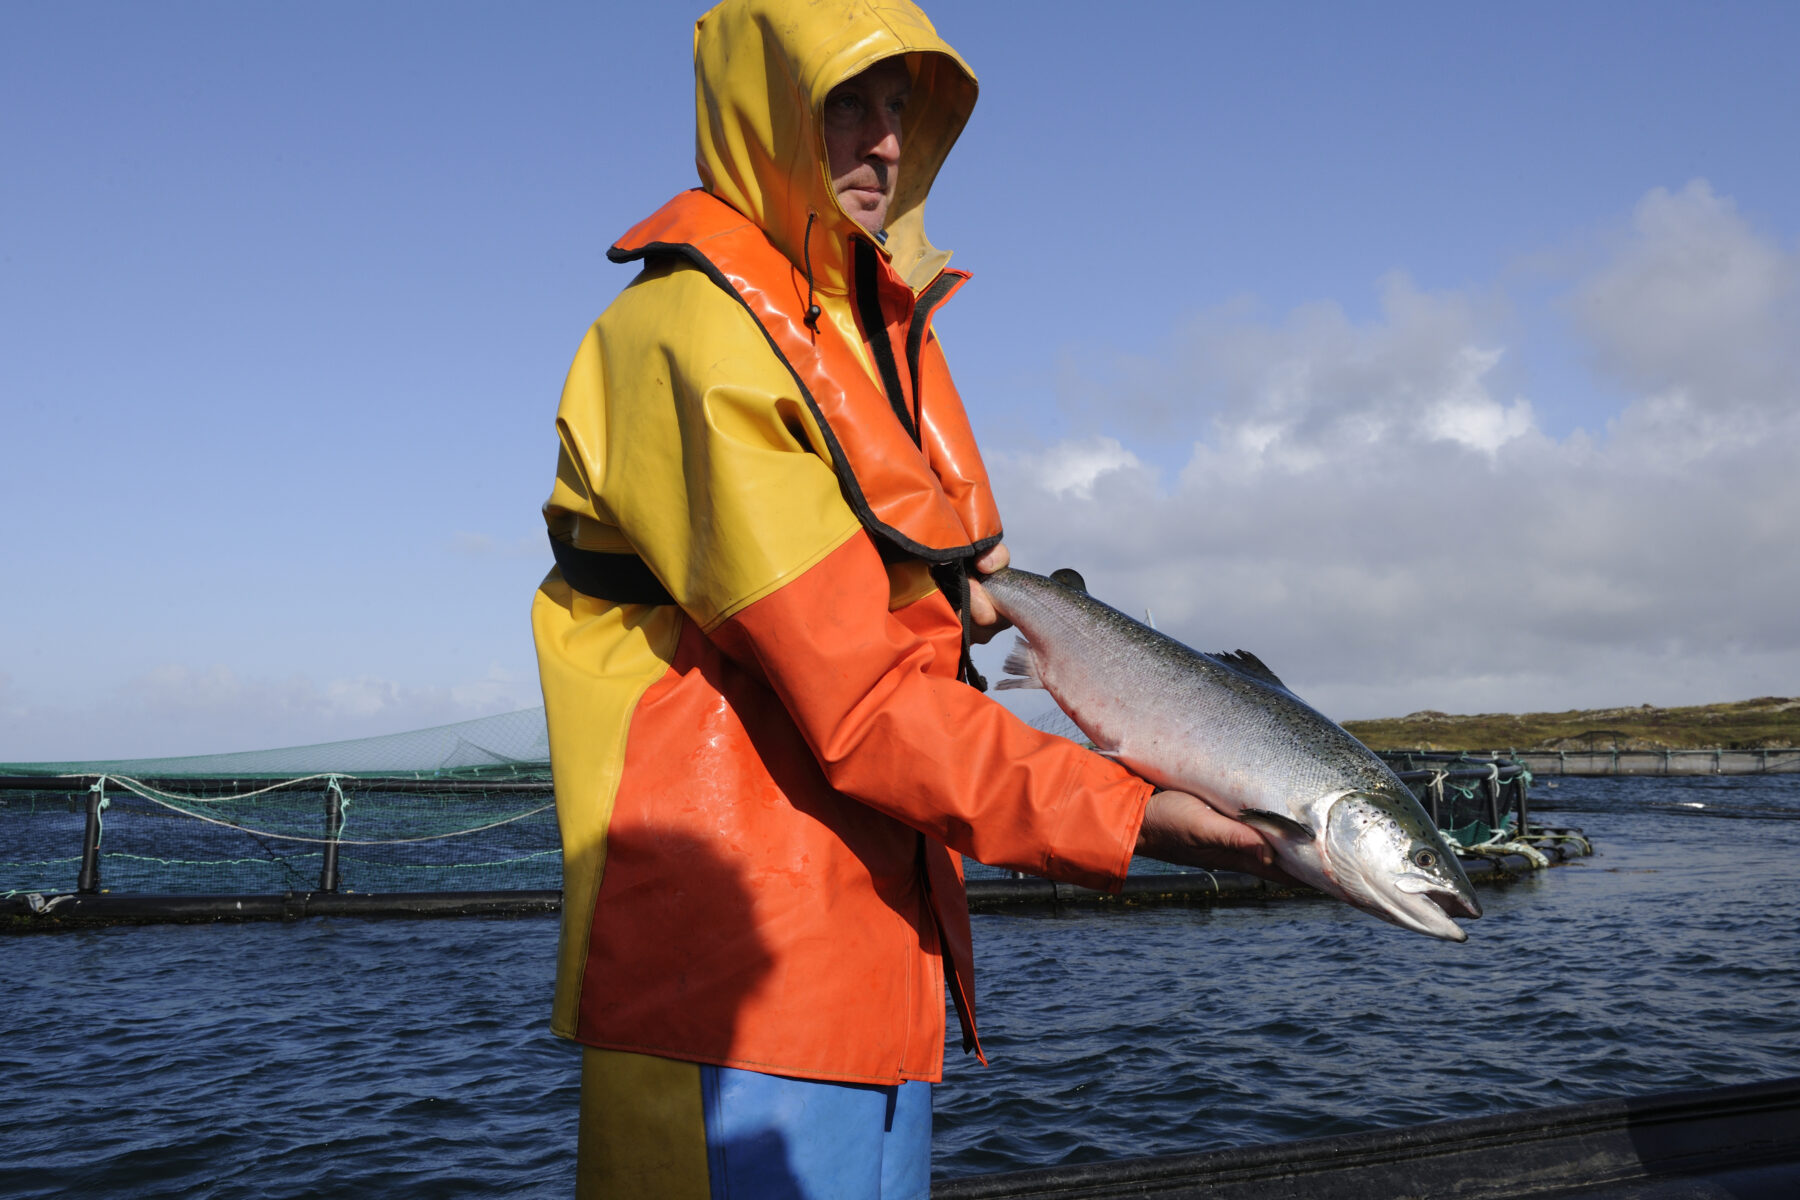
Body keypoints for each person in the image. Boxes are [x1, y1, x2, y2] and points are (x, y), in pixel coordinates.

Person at [531, 2, 1282, 1195]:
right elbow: (868, 700)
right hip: (726, 983)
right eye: (847, 104)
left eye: (902, 109)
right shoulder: (691, 334)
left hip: (874, 963)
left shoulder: (864, 329)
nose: (886, 143)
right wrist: (1134, 817)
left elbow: (924, 618)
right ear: (766, 111)